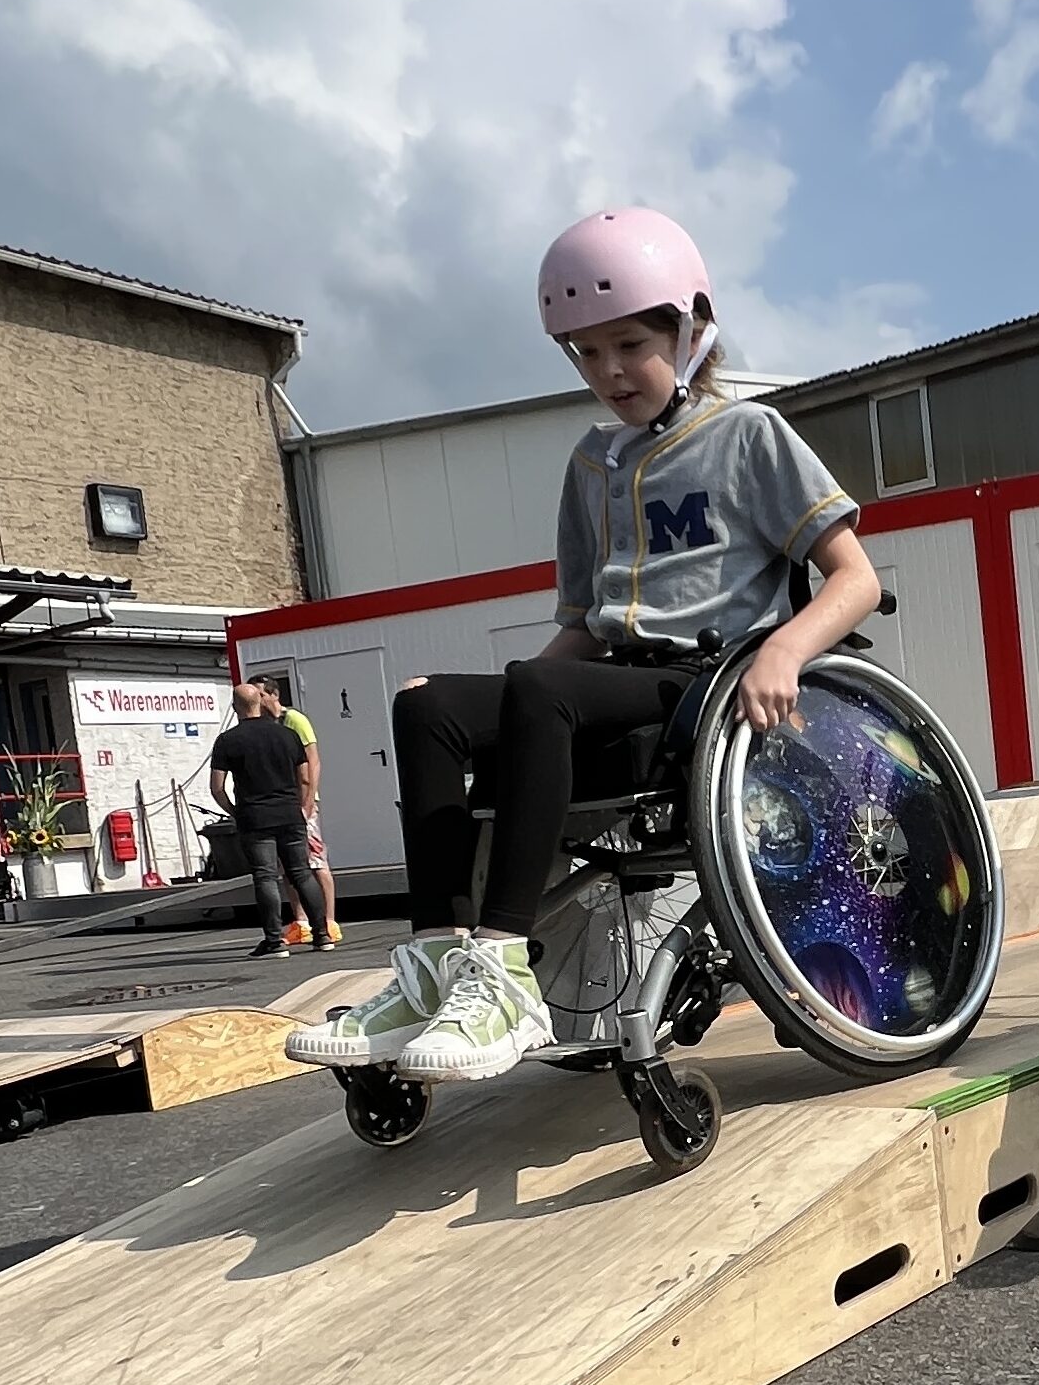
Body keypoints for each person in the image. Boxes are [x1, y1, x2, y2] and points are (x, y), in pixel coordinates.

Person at [284, 207, 879, 1082]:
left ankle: (504, 973)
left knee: (540, 691)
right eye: (585, 352)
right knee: (427, 704)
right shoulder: (591, 465)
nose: (608, 371)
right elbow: (580, 627)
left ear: (690, 328)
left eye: (629, 344)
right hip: (608, 676)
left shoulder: (745, 436)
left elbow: (854, 578)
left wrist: (783, 652)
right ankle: (437, 967)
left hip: (707, 678)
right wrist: (499, 703)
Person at [210, 683, 330, 958]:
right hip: (290, 813)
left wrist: (234, 810)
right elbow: (305, 777)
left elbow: (217, 786)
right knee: (300, 872)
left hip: (255, 816)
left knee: (265, 876)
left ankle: (274, 941)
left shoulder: (228, 740)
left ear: (234, 707)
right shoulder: (287, 735)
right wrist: (304, 805)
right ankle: (322, 934)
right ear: (260, 703)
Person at [246, 673, 340, 949]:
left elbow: (313, 763)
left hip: (302, 802)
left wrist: (307, 804)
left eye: (260, 694)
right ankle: (301, 921)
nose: (258, 700)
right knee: (288, 865)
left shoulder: (294, 720)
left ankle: (329, 921)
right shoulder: (267, 726)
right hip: (284, 805)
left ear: (273, 695)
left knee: (315, 861)